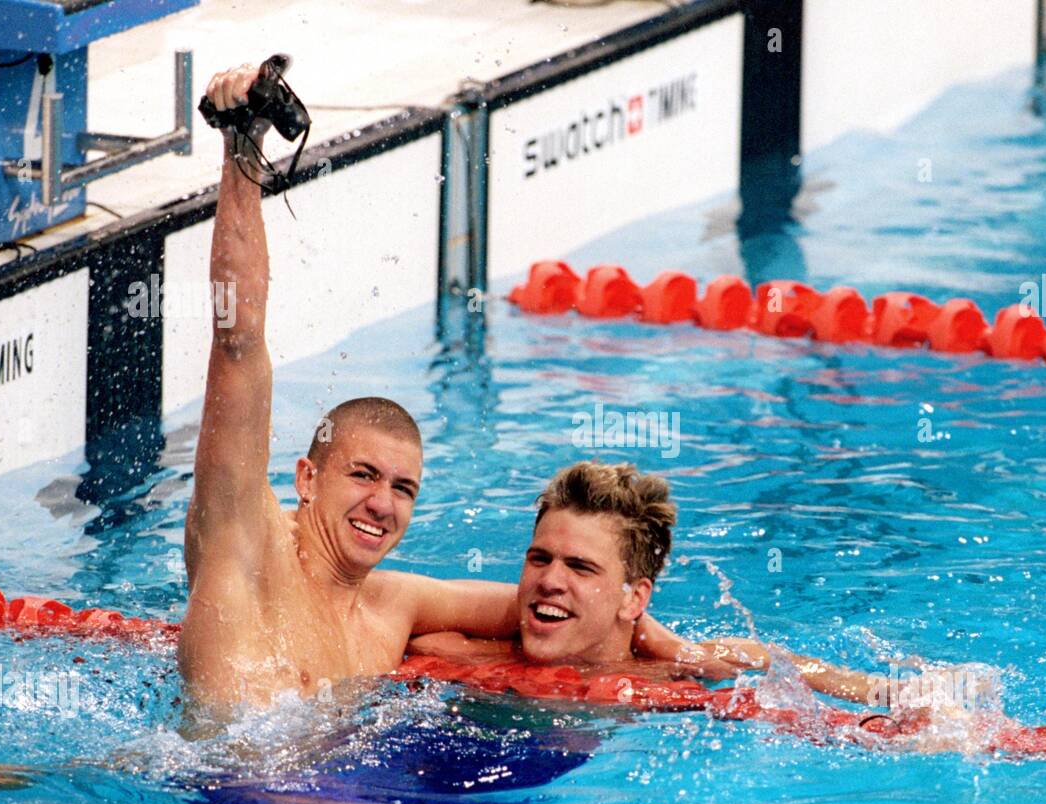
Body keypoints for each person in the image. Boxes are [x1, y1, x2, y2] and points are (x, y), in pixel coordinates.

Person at [177, 64, 706, 720]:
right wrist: (241, 153)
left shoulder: (392, 607)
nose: (382, 503)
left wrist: (656, 635)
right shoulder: (244, 539)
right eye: (364, 474)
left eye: (403, 489)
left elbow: (551, 605)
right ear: (306, 477)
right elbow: (237, 340)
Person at [409, 460, 912, 706]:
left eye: (580, 568)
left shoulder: (679, 672)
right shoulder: (455, 653)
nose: (549, 582)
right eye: (539, 559)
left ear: (636, 598)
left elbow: (782, 672)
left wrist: (901, 701)